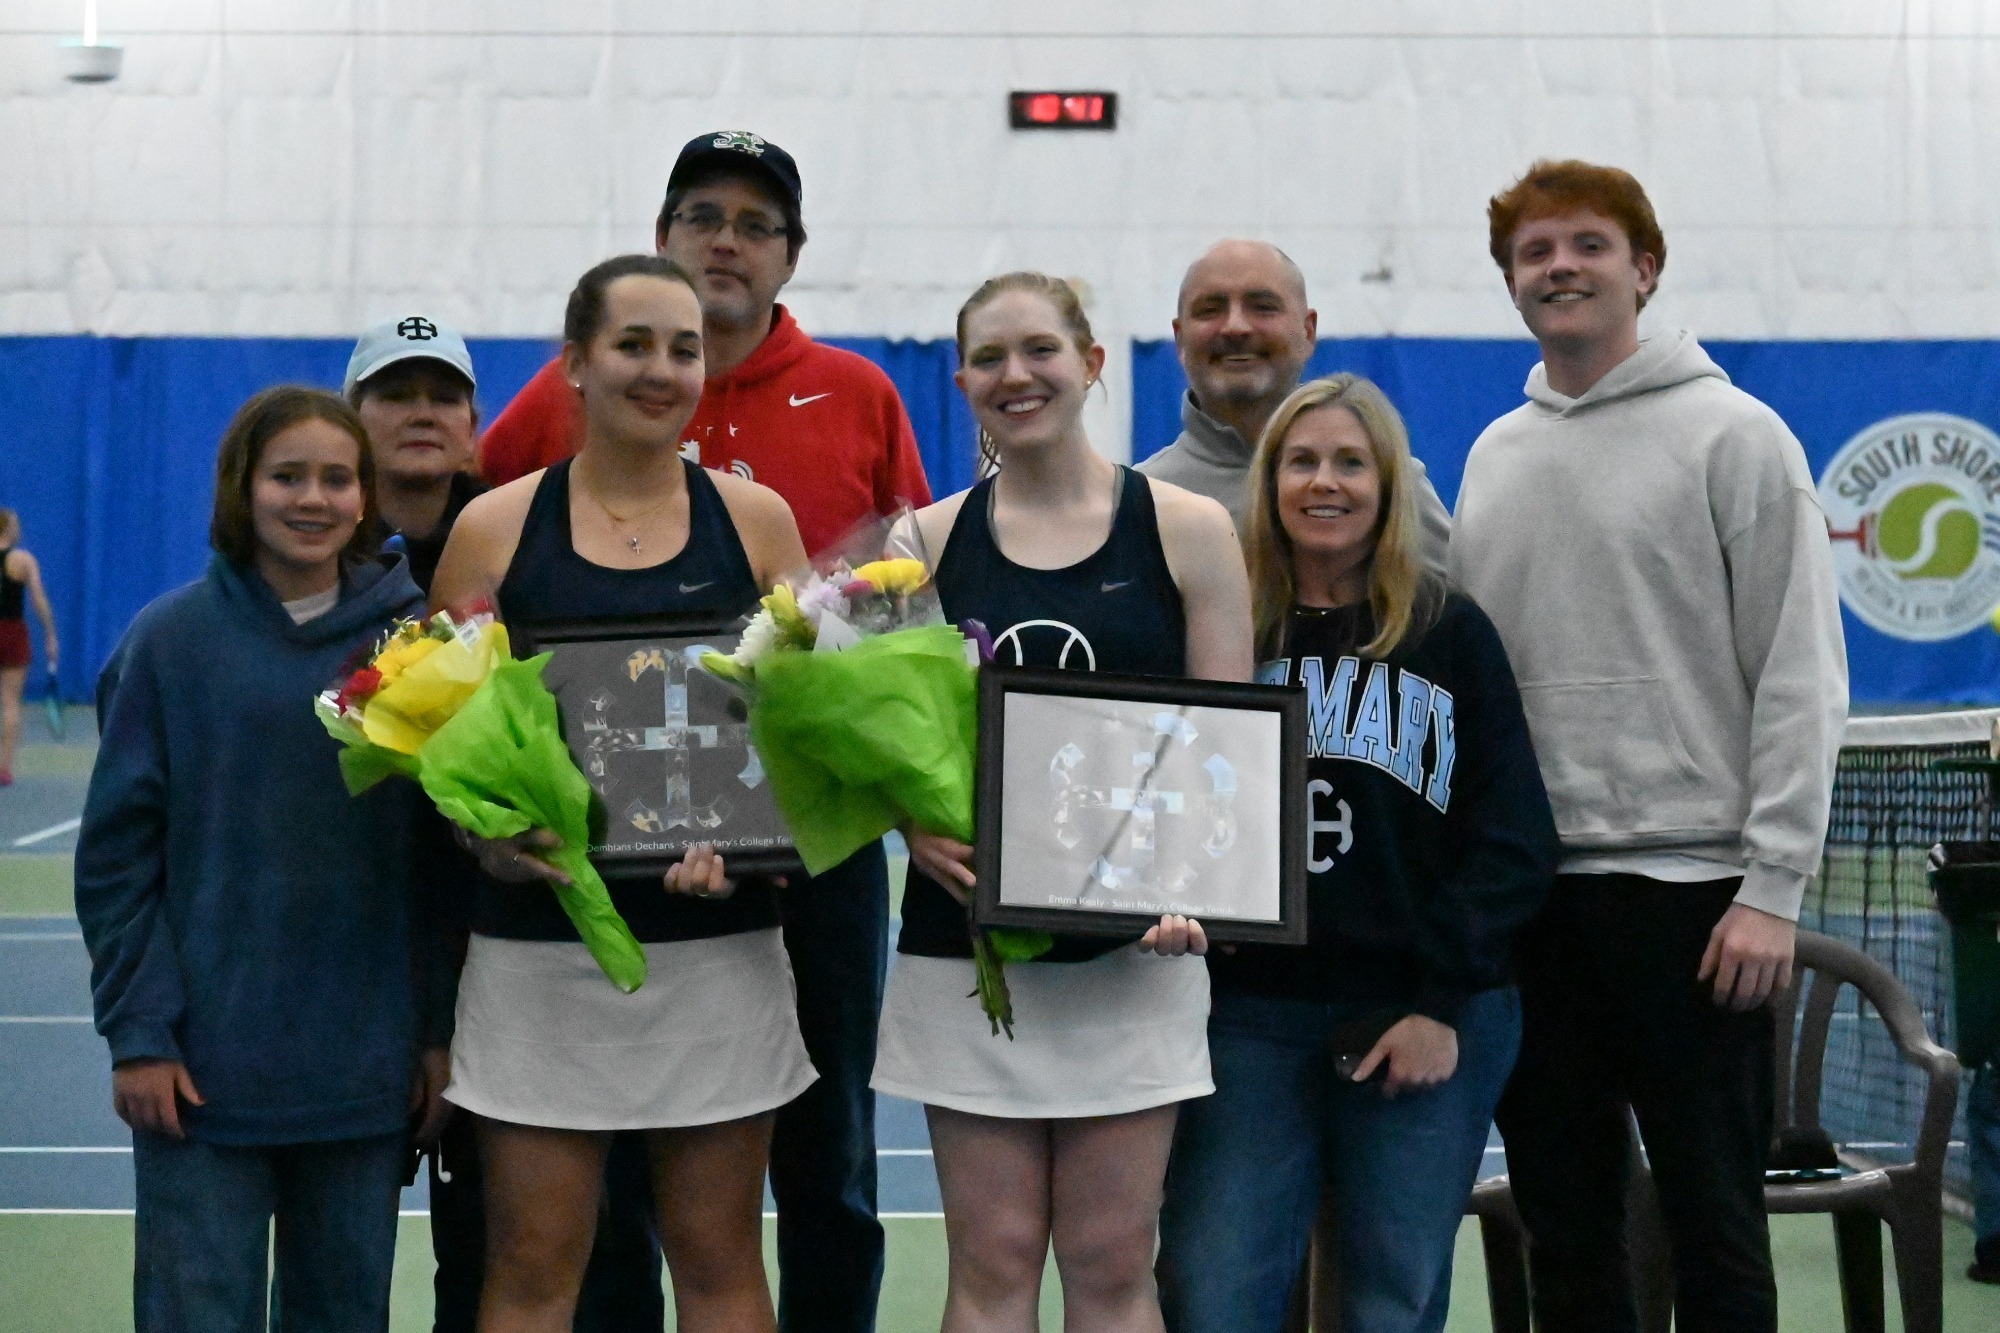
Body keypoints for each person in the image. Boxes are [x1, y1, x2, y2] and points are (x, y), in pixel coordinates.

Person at [480, 130, 929, 1328]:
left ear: (788, 254)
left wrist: (817, 808)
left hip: (787, 871)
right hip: (574, 892)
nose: (727, 239)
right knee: (599, 1198)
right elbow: (472, 612)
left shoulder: (857, 395)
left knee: (823, 1142)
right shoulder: (536, 426)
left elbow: (889, 618)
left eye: (755, 222)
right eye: (702, 216)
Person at [1450, 160, 1847, 1333]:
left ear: (1644, 268)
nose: (1558, 267)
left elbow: (1798, 673)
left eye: (1585, 244)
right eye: (1533, 253)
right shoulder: (1492, 457)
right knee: (1567, 1233)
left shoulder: (1737, 436)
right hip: (1537, 910)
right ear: (1511, 285)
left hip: (1702, 911)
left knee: (1714, 1231)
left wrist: (1770, 888)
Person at [429, 253, 815, 1332]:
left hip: (719, 955)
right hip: (537, 960)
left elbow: (807, 739)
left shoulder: (759, 524)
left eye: (683, 348)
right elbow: (447, 749)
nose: (661, 369)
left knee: (719, 1260)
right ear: (574, 363)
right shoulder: (493, 530)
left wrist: (754, 840)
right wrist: (490, 843)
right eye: (632, 344)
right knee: (532, 1266)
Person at [872, 271, 1249, 1327]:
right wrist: (914, 823)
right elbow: (895, 749)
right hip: (970, 951)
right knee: (989, 1261)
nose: (1015, 374)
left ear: (1089, 363)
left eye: (1039, 349)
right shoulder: (924, 546)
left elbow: (1221, 752)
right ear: (961, 383)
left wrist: (1198, 887)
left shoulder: (1188, 531)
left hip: (1134, 956)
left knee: (1111, 1256)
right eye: (988, 358)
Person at [1152, 372, 1558, 1330]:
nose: (1323, 482)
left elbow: (1514, 839)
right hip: (1246, 1011)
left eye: (1350, 461)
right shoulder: (1220, 627)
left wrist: (1438, 1002)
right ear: (1268, 481)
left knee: (1392, 1295)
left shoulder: (1448, 633)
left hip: (1417, 1011)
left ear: (1388, 485)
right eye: (1300, 461)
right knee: (1214, 1289)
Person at [74, 385, 452, 1331]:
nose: (312, 498)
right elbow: (118, 863)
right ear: (242, 488)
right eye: (288, 475)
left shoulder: (419, 646)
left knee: (344, 1312)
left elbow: (442, 865)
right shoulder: (166, 644)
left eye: (336, 477)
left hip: (363, 1076)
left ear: (366, 497)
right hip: (202, 1079)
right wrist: (142, 1033)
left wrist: (438, 1031)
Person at [1136, 239, 1451, 569]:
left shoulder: (1388, 484)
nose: (1235, 327)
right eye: (1210, 310)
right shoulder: (1137, 503)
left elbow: (1455, 607)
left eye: (1263, 307)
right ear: (1179, 338)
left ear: (1307, 331)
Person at [346, 314, 489, 592]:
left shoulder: (514, 537)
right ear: (351, 420)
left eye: (444, 398)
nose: (423, 416)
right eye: (396, 396)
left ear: (471, 429)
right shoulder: (318, 542)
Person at [0, 507, 58, 787]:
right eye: (16, 525)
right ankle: (3, 768)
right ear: (9, 529)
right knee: (11, 703)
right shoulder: (22, 560)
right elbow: (38, 599)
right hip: (11, 633)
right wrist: (50, 633)